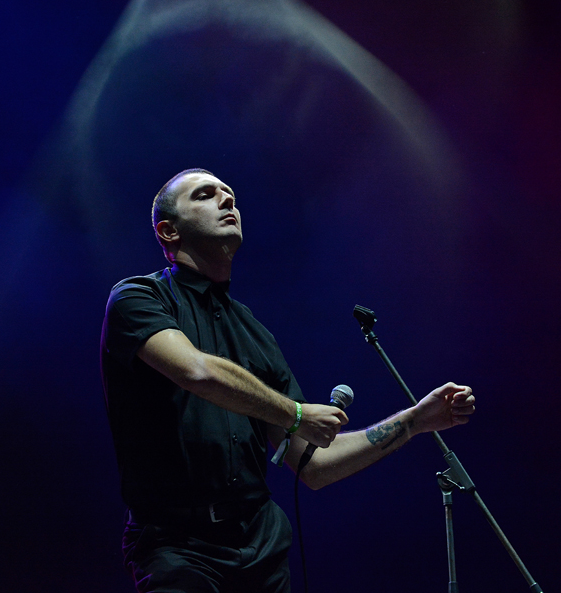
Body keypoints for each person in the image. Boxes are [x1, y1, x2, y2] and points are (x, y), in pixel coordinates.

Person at [100, 168, 475, 593]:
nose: (227, 200)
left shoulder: (255, 332)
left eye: (230, 194)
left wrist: (413, 421)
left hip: (262, 546)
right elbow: (196, 371)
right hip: (177, 546)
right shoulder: (137, 297)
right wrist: (296, 413)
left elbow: (312, 466)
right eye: (205, 195)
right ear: (169, 231)